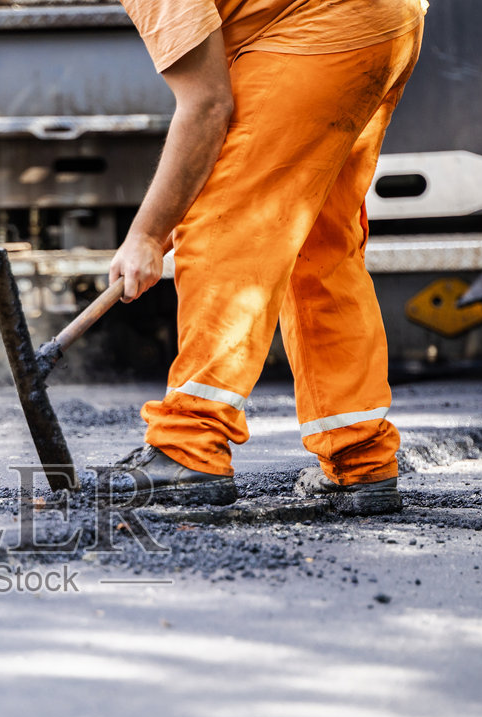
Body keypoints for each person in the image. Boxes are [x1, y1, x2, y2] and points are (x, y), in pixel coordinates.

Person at [99, 0, 426, 513]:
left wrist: (148, 232)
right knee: (317, 244)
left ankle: (191, 442)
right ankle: (359, 455)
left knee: (230, 226)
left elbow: (207, 106)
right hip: (386, 19)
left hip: (327, 22)